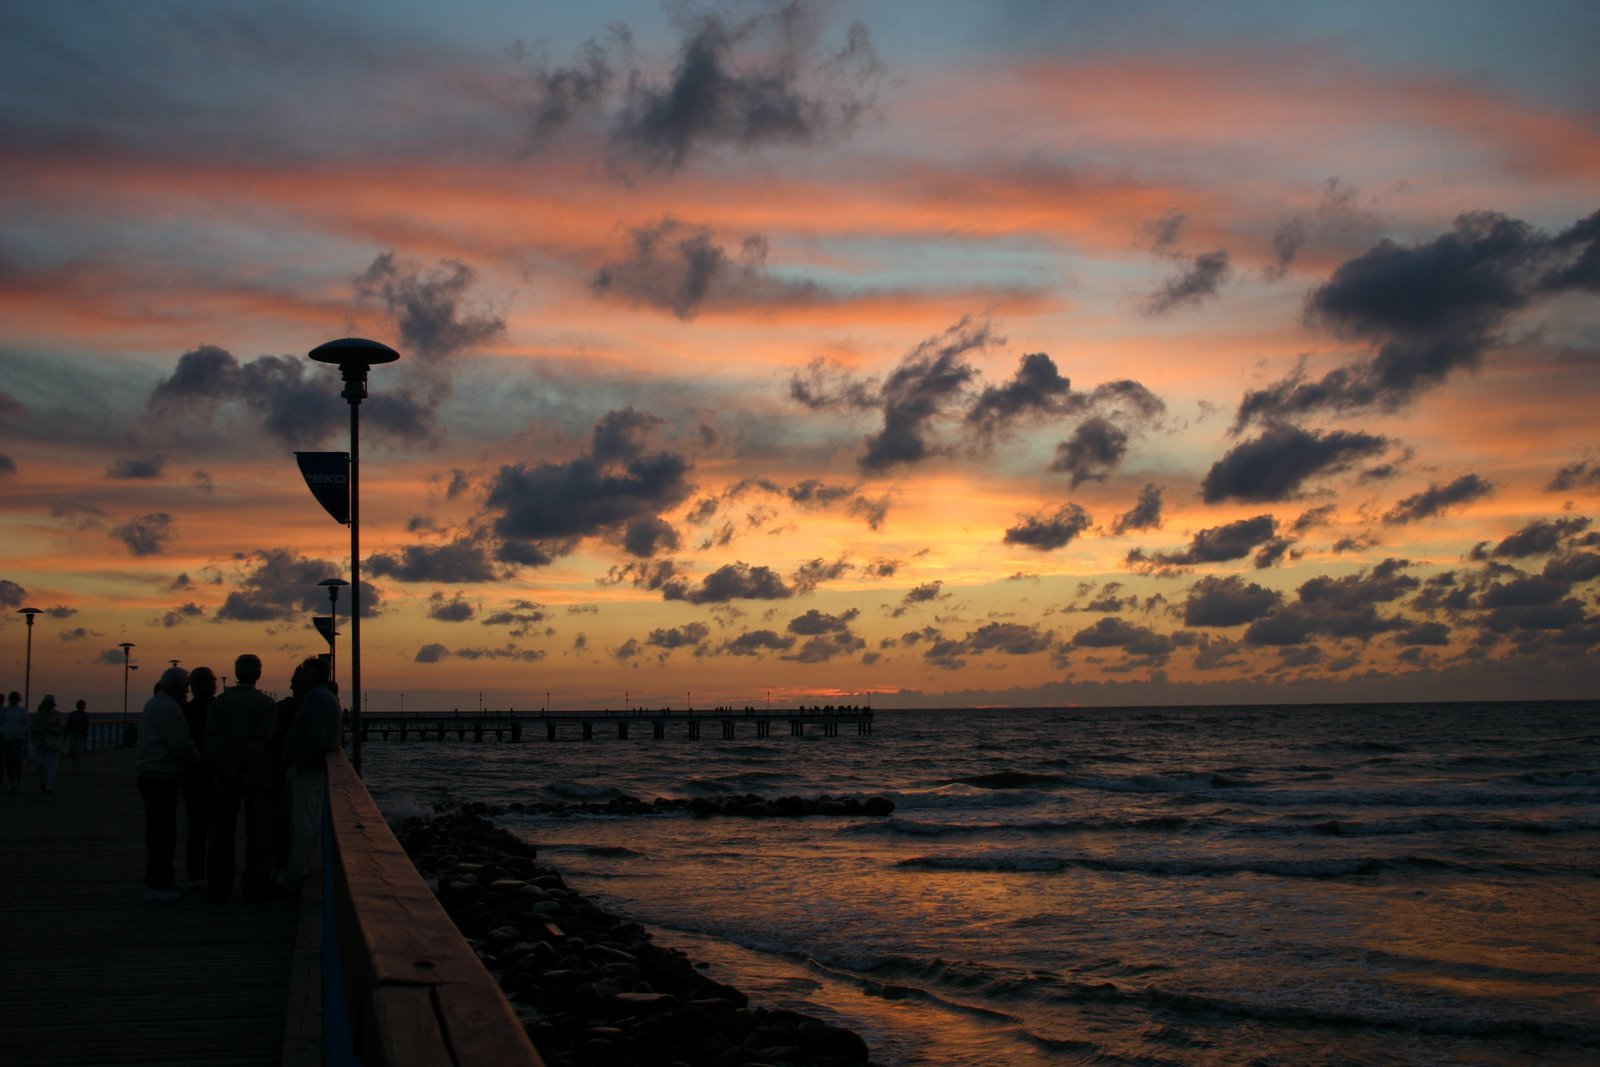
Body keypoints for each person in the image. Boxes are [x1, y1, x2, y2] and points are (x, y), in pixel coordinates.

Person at [206, 654, 278, 903]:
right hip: (257, 777)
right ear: (259, 674)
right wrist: (242, 763)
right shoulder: (266, 704)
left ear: (236, 674)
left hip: (224, 778)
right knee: (258, 835)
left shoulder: (219, 703)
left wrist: (228, 767)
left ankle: (218, 885)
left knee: (220, 834)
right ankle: (255, 886)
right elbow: (262, 739)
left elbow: (212, 740)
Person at [273, 657, 341, 894]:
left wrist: (299, 766)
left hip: (307, 769)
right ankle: (298, 871)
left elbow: (318, 739)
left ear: (317, 676)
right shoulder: (324, 697)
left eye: (306, 673)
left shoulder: (316, 698)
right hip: (310, 768)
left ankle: (295, 875)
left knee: (302, 824)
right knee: (307, 821)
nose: (301, 677)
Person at [136, 667, 198, 901]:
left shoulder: (155, 704)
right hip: (160, 775)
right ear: (176, 688)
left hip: (152, 774)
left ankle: (161, 880)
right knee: (163, 832)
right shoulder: (168, 709)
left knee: (159, 830)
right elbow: (181, 745)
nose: (187, 693)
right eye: (185, 688)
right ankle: (158, 884)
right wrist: (198, 760)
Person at [180, 667, 217, 889]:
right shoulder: (216, 708)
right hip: (204, 773)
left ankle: (197, 876)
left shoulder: (184, 710)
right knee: (210, 827)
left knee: (198, 827)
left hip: (195, 774)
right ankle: (204, 875)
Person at [30, 695, 65, 793]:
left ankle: (49, 785)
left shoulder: (57, 715)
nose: (48, 705)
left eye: (50, 703)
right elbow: (32, 727)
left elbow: (60, 728)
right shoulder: (37, 715)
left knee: (51, 765)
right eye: (47, 703)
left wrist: (50, 729)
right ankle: (44, 780)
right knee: (40, 763)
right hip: (40, 742)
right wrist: (42, 729)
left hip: (53, 743)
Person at [0, 691, 27, 792]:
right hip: (6, 738)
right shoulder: (5, 711)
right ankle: (12, 783)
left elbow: (27, 724)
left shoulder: (22, 711)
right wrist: (3, 731)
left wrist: (20, 731)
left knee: (16, 761)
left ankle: (19, 781)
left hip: (17, 739)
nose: (14, 701)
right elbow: (1, 723)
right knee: (8, 762)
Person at [65, 699, 90, 771]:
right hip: (73, 733)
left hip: (80, 734)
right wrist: (66, 734)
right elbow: (68, 724)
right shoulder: (73, 714)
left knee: (78, 750)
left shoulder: (85, 715)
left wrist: (86, 735)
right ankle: (74, 764)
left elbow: (86, 726)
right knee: (72, 750)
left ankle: (76, 766)